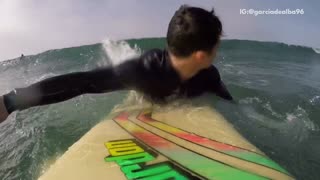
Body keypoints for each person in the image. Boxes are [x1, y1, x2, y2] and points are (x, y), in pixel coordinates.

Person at [0, 5, 233, 123]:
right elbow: (82, 82)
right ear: (202, 55)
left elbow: (229, 102)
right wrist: (10, 102)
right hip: (147, 95)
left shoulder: (210, 77)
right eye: (217, 44)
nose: (218, 49)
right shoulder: (146, 71)